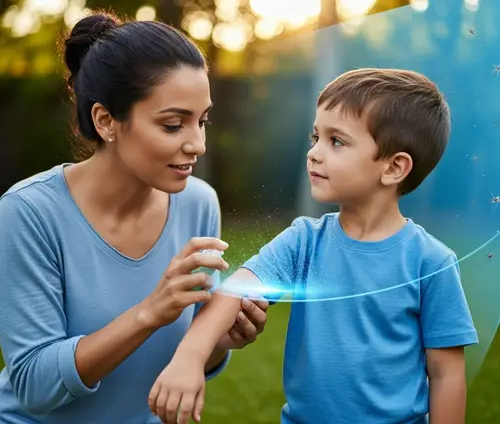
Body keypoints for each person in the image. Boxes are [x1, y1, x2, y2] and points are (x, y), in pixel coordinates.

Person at [148, 68, 478, 424]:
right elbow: (236, 289)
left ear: (394, 167)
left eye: (336, 141)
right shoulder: (303, 240)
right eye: (315, 137)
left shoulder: (432, 263)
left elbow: (446, 375)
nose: (314, 153)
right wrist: (190, 357)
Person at [0, 12, 269, 424]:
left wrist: (218, 342)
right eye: (173, 124)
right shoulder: (29, 213)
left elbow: (185, 357)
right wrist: (149, 313)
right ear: (106, 121)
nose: (197, 144)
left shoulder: (199, 204)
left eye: (202, 122)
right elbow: (34, 387)